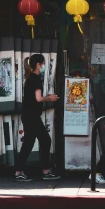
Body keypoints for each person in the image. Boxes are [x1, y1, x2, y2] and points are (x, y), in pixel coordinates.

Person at [14, 53, 60, 182]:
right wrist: (49, 98)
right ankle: (42, 171)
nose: (44, 66)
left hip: (29, 115)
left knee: (31, 142)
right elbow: (39, 98)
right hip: (32, 116)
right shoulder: (36, 78)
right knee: (43, 140)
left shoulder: (30, 78)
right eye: (43, 64)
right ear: (39, 65)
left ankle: (21, 171)